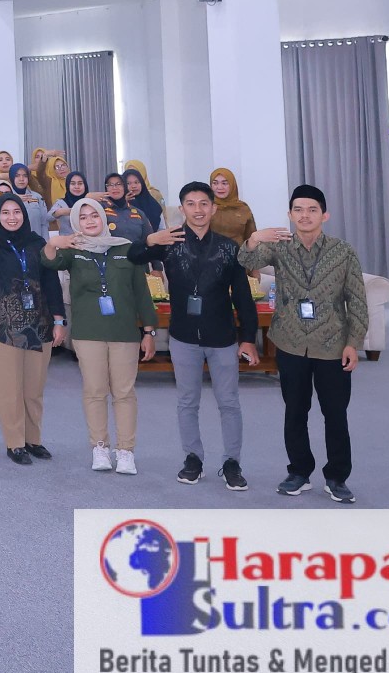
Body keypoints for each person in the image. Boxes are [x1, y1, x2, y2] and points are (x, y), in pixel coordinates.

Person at [241, 185, 368, 504]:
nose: (305, 215)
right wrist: (255, 237)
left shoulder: (343, 251)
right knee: (295, 411)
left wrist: (353, 342)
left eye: (312, 209)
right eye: (298, 209)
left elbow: (357, 300)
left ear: (324, 215)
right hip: (291, 342)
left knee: (335, 414)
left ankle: (337, 477)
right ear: (290, 214)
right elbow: (246, 259)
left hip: (332, 344)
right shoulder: (280, 247)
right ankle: (299, 471)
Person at [130, 180, 260, 490]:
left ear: (213, 208)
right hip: (183, 337)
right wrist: (150, 239)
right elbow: (134, 256)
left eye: (204, 204)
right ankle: (193, 459)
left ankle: (232, 463)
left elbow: (243, 297)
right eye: (191, 204)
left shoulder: (229, 248)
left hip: (222, 337)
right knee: (187, 402)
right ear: (182, 209)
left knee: (229, 403)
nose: (198, 210)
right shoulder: (169, 242)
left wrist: (248, 338)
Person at [43, 198, 157, 475]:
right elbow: (48, 261)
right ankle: (100, 447)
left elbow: (141, 293)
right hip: (88, 333)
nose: (90, 221)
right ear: (76, 223)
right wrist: (54, 242)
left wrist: (149, 330)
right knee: (94, 391)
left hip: (124, 332)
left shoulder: (125, 248)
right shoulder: (74, 250)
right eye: (83, 217)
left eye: (94, 215)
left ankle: (126, 450)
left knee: (124, 392)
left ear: (103, 218)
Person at [0, 193, 65, 465]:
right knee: (10, 389)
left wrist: (59, 320)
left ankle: (33, 440)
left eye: (16, 211)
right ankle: (15, 443)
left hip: (40, 325)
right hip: (3, 327)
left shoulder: (37, 243)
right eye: (5, 212)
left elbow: (52, 282)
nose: (12, 217)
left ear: (24, 213)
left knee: (34, 389)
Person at [208, 168, 256, 244]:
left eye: (224, 183)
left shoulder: (243, 208)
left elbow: (251, 238)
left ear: (232, 185)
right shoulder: (205, 207)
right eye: (215, 183)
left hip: (238, 250)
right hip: (210, 251)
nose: (220, 187)